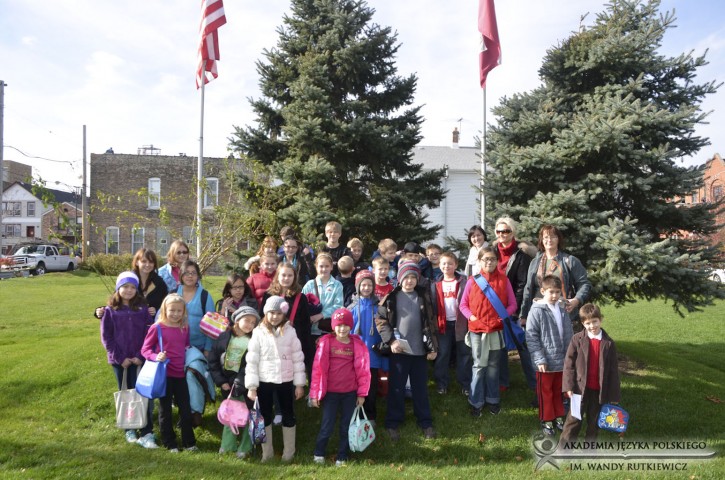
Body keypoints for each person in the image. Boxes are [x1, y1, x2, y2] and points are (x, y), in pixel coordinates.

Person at [375, 260, 438, 441]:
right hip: (399, 352)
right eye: (406, 277)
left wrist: (433, 347)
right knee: (396, 388)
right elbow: (381, 320)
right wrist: (391, 341)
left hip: (419, 352)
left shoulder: (424, 296)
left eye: (413, 277)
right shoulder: (391, 297)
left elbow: (431, 322)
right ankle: (393, 423)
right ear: (400, 279)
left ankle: (425, 422)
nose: (409, 281)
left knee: (420, 389)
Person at [245, 296, 307, 462]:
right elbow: (252, 361)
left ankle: (289, 454)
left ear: (284, 314)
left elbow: (298, 358)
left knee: (288, 414)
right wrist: (252, 386)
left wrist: (299, 384)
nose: (275, 316)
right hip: (264, 381)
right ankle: (267, 453)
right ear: (266, 313)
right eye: (272, 313)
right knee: (265, 415)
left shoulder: (290, 332)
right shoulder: (258, 332)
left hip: (285, 381)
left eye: (279, 313)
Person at [100, 272, 156, 448]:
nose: (129, 290)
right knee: (126, 393)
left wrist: (141, 355)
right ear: (118, 289)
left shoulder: (142, 310)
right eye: (125, 287)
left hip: (140, 359)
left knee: (143, 393)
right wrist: (120, 357)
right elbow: (107, 337)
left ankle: (147, 431)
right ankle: (129, 428)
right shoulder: (110, 311)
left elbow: (149, 334)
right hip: (120, 361)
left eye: (132, 287)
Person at [459, 247, 517, 417]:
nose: (489, 262)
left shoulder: (504, 280)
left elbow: (512, 304)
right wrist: (472, 318)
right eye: (485, 259)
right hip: (477, 330)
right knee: (478, 366)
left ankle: (493, 400)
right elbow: (463, 305)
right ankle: (476, 401)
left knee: (493, 366)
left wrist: (501, 318)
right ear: (480, 261)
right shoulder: (472, 281)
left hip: (495, 330)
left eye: (492, 259)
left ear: (497, 261)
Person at [309, 309, 370, 466]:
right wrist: (314, 394)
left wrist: (361, 394)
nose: (342, 329)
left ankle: (342, 455)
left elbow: (363, 371)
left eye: (346, 325)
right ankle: (319, 453)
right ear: (333, 326)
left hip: (350, 393)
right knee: (327, 426)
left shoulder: (357, 345)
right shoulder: (326, 343)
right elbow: (317, 370)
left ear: (351, 326)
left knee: (346, 426)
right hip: (330, 394)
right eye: (339, 325)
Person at [141, 294, 197, 452]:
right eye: (172, 310)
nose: (176, 314)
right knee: (165, 411)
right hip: (164, 375)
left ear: (184, 311)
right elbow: (145, 349)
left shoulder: (184, 327)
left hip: (181, 375)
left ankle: (189, 442)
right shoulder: (157, 327)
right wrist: (156, 356)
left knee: (185, 409)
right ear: (164, 309)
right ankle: (169, 442)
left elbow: (186, 345)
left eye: (179, 311)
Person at [559, 304, 621, 445]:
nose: (592, 326)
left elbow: (613, 371)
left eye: (595, 321)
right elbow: (568, 364)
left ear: (601, 320)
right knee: (573, 421)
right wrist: (568, 386)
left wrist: (614, 396)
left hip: (599, 391)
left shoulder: (609, 343)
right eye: (588, 323)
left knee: (594, 422)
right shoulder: (577, 339)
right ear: (583, 323)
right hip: (579, 390)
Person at [208, 306, 260, 459]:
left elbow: (253, 363)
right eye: (247, 320)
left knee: (249, 415)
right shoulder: (223, 337)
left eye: (253, 323)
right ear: (237, 320)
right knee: (230, 415)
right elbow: (213, 361)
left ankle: (245, 447)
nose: (250, 325)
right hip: (228, 384)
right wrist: (221, 381)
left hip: (247, 384)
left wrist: (242, 381)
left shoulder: (255, 340)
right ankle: (227, 445)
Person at [492, 217, 537, 393]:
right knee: (500, 347)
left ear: (513, 232)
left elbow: (522, 285)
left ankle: (535, 384)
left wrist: (515, 310)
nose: (502, 234)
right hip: (495, 307)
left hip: (514, 308)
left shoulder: (521, 254)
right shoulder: (492, 252)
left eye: (506, 231)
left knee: (523, 346)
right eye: (499, 231)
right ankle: (503, 382)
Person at [525, 275, 573, 436]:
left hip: (562, 360)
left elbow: (568, 333)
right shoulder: (537, 310)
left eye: (558, 292)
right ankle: (546, 419)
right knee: (546, 392)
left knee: (559, 390)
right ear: (543, 291)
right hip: (545, 362)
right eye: (551, 292)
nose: (554, 295)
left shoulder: (562, 308)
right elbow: (531, 336)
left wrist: (571, 355)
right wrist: (539, 358)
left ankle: (558, 415)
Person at [520, 225, 592, 331]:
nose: (549, 240)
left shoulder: (570, 261)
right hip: (539, 315)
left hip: (563, 314)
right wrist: (523, 315)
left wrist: (576, 300)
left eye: (553, 237)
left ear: (558, 239)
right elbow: (528, 289)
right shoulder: (535, 262)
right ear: (541, 240)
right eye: (546, 237)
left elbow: (584, 284)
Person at [262, 263, 314, 379]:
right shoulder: (269, 294)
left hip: (293, 340)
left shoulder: (301, 297)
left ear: (294, 277)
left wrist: (305, 346)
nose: (286, 278)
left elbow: (305, 324)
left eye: (290, 275)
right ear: (277, 276)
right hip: (273, 339)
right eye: (283, 275)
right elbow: (262, 318)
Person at [348, 269, 387, 423]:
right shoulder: (351, 308)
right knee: (354, 386)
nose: (366, 288)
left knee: (371, 387)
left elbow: (383, 330)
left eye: (369, 285)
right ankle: (355, 415)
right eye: (363, 285)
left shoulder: (379, 307)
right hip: (355, 356)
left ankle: (370, 416)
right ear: (358, 286)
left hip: (373, 354)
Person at [431, 251, 471, 396]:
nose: (446, 266)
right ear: (439, 265)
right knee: (443, 354)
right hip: (443, 325)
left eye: (450, 263)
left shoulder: (464, 282)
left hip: (461, 324)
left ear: (455, 265)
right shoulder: (435, 284)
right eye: (444, 263)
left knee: (464, 354)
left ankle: (465, 384)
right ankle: (442, 383)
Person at [94, 248, 168, 319]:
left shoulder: (159, 283)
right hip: (129, 322)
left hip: (151, 323)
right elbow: (116, 300)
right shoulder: (128, 279)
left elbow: (166, 303)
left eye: (151, 262)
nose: (147, 264)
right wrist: (101, 311)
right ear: (137, 262)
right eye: (144, 261)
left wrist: (156, 309)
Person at [302, 252, 344, 339]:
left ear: (331, 267)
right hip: (311, 330)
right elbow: (302, 304)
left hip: (329, 329)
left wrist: (321, 315)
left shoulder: (337, 285)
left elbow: (338, 306)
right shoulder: (309, 285)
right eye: (321, 266)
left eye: (327, 266)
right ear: (316, 267)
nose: (324, 269)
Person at [177, 260, 215, 355]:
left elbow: (212, 325)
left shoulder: (205, 296)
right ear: (181, 274)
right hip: (176, 346)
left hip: (199, 347)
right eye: (186, 273)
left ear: (198, 276)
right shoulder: (173, 294)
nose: (190, 276)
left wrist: (207, 349)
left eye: (193, 273)